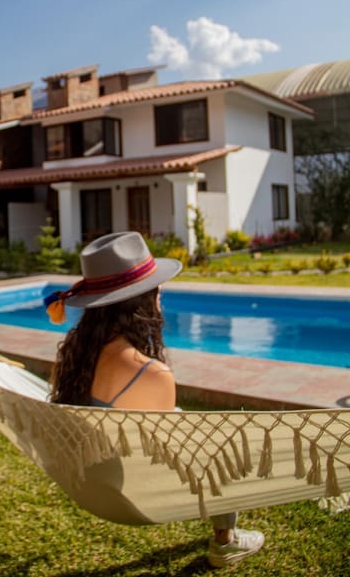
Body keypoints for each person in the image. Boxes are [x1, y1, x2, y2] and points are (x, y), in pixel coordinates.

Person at [49, 231, 265, 569]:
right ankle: (226, 540)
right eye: (156, 291)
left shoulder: (74, 357)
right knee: (224, 444)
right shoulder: (151, 374)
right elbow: (174, 457)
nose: (160, 296)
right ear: (142, 301)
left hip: (89, 482)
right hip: (132, 495)